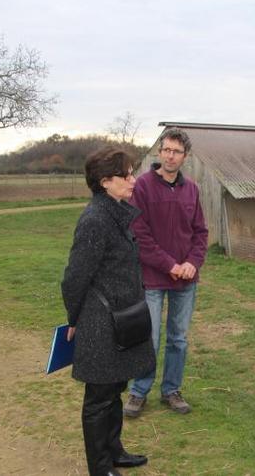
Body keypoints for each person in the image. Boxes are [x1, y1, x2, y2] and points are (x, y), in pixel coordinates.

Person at [61, 147, 156, 476]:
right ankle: (100, 467)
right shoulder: (95, 220)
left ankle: (114, 451)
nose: (133, 180)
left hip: (122, 318)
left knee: (115, 388)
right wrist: (75, 320)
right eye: (126, 175)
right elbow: (74, 278)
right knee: (99, 397)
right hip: (102, 323)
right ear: (104, 182)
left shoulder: (116, 212)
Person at [123, 126, 208, 417]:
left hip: (185, 279)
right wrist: (168, 264)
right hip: (153, 277)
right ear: (160, 152)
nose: (171, 156)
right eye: (166, 150)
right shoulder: (143, 187)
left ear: (185, 156)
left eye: (177, 152)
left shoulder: (192, 190)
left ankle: (171, 390)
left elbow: (200, 233)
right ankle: (138, 391)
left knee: (178, 338)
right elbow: (140, 234)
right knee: (150, 338)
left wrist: (191, 264)